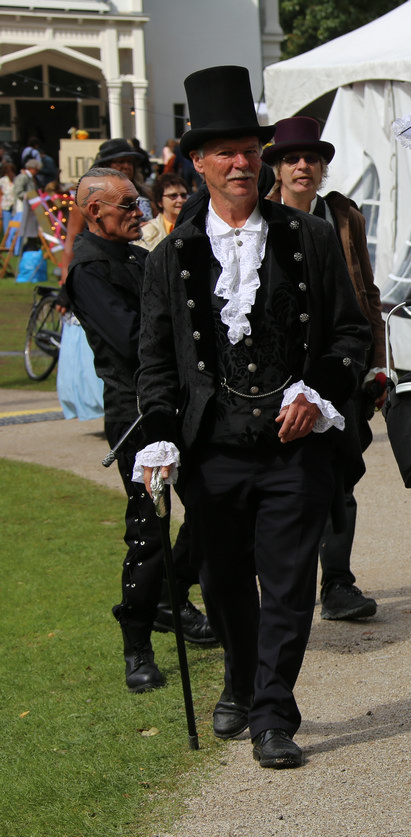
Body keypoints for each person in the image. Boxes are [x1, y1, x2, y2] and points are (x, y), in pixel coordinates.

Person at [135, 65, 370, 769]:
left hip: (294, 445)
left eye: (248, 150)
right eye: (225, 152)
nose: (241, 163)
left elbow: (349, 333)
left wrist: (316, 393)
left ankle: (272, 713)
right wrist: (159, 435)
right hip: (214, 447)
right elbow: (156, 362)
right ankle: (239, 680)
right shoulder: (171, 256)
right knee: (224, 581)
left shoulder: (309, 237)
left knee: (290, 584)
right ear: (199, 162)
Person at [62, 168, 215, 692]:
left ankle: (171, 596)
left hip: (178, 403)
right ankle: (137, 644)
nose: (138, 213)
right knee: (149, 525)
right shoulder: (89, 270)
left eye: (140, 204)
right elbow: (134, 340)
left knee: (213, 505)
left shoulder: (136, 256)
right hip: (137, 416)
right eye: (127, 206)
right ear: (94, 211)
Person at [262, 115, 387, 621]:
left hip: (341, 364)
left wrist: (377, 366)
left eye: (311, 158)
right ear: (276, 168)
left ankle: (337, 583)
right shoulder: (258, 217)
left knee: (341, 477)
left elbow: (367, 294)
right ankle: (279, 590)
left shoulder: (343, 216)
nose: (302, 166)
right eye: (292, 158)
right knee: (281, 482)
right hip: (278, 370)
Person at [60, 138, 154, 280]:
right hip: (105, 267)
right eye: (120, 162)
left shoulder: (146, 194)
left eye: (130, 162)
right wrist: (66, 281)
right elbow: (71, 242)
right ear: (105, 165)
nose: (126, 166)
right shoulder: (85, 201)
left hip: (144, 264)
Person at [138, 172, 189, 251]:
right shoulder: (148, 232)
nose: (180, 200)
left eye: (183, 195)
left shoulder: (196, 227)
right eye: (173, 196)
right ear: (159, 201)